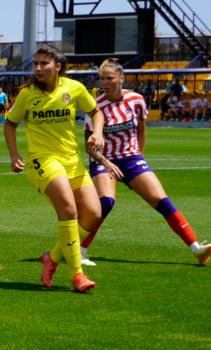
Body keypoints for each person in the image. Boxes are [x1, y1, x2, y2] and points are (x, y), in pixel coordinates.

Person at [79, 59, 209, 265]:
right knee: (106, 202)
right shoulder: (95, 107)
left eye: (109, 78)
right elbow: (89, 146)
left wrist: (139, 156)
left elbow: (141, 129)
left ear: (121, 79)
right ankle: (80, 250)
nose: (104, 82)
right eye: (102, 78)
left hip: (131, 159)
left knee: (162, 201)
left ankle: (196, 248)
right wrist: (107, 162)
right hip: (103, 160)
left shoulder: (137, 100)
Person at [3, 44, 106, 292]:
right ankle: (77, 275)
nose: (38, 68)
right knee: (69, 209)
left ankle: (52, 257)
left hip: (72, 160)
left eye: (43, 64)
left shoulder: (74, 89)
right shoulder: (27, 94)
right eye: (35, 64)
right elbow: (9, 123)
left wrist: (98, 133)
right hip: (42, 161)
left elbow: (96, 112)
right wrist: (14, 154)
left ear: (57, 66)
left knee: (93, 214)